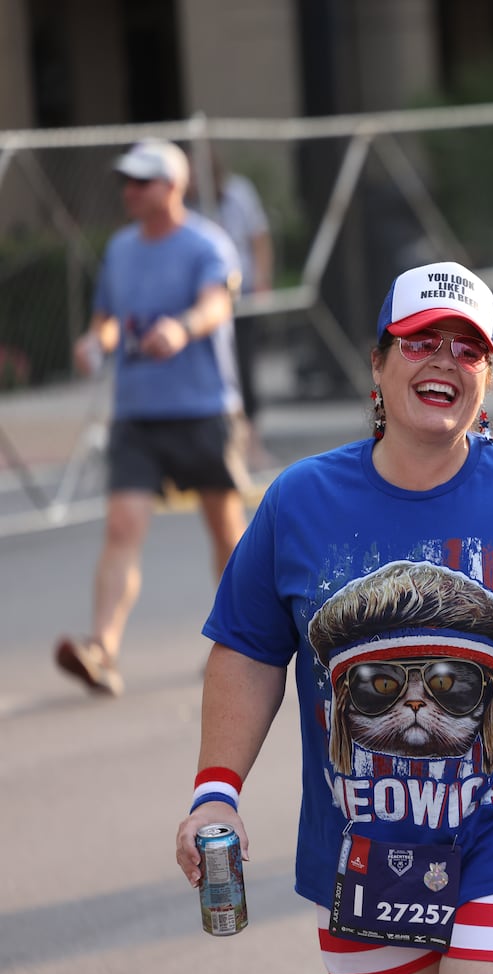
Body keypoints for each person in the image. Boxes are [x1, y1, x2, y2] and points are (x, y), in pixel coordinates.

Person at [172, 261, 493, 974]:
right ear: (379, 362)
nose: (443, 362)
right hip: (363, 845)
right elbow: (248, 647)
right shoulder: (299, 500)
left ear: (488, 375)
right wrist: (215, 791)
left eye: (467, 348)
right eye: (422, 341)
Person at [55, 138, 248, 698]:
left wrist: (182, 328)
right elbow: (109, 320)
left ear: (173, 186)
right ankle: (103, 650)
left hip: (202, 410)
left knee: (224, 528)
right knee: (122, 527)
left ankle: (241, 639)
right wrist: (95, 342)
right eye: (126, 182)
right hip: (137, 414)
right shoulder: (120, 250)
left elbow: (217, 303)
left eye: (142, 182)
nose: (130, 192)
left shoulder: (205, 244)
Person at [191, 148, 276, 464]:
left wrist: (263, 278)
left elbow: (259, 236)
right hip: (204, 301)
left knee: (244, 368)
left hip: (240, 296)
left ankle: (251, 442)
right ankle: (219, 446)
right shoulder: (187, 206)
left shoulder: (239, 193)